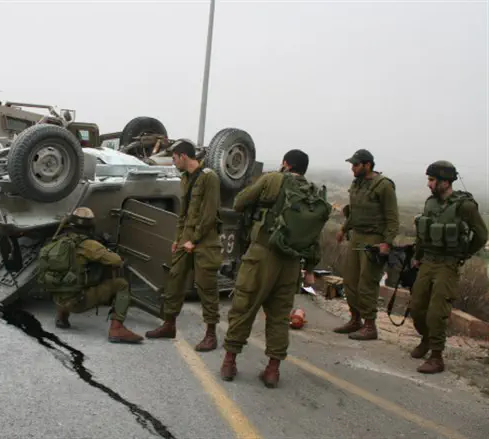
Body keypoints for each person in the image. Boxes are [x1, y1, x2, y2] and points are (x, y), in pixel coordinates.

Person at [219, 149, 328, 388]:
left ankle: (229, 362)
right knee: (279, 317)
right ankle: (272, 371)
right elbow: (313, 237)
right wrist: (309, 268)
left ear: (286, 164)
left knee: (244, 306)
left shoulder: (273, 179)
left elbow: (239, 203)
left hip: (262, 254)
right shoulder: (311, 194)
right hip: (291, 263)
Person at [409, 161, 487, 374]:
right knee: (416, 307)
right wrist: (417, 257)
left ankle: (436, 356)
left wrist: (463, 253)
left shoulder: (465, 206)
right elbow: (422, 234)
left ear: (445, 182)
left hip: (447, 264)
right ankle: (426, 339)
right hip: (428, 261)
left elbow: (481, 234)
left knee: (437, 312)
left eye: (432, 180)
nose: (428, 184)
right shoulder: (430, 203)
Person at [144, 139, 223, 352]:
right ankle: (169, 325)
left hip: (204, 240)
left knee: (206, 287)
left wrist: (194, 240)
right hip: (186, 238)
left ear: (184, 156)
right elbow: (184, 213)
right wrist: (178, 239)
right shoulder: (185, 178)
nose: (173, 161)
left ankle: (210, 335)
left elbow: (209, 214)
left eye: (174, 158)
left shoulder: (209, 178)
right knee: (174, 279)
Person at [37, 207, 144, 344]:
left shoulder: (58, 241)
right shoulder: (89, 245)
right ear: (90, 226)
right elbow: (116, 261)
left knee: (67, 275)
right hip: (78, 302)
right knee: (121, 285)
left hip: (58, 299)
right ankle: (117, 329)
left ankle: (62, 317)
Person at [333, 149, 400, 340]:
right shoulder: (357, 184)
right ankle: (356, 320)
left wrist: (387, 242)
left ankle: (370, 326)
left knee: (367, 282)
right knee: (350, 280)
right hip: (357, 236)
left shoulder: (383, 186)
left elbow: (392, 217)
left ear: (367, 165)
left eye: (355, 165)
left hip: (374, 239)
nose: (352, 168)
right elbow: (354, 212)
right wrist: (344, 229)